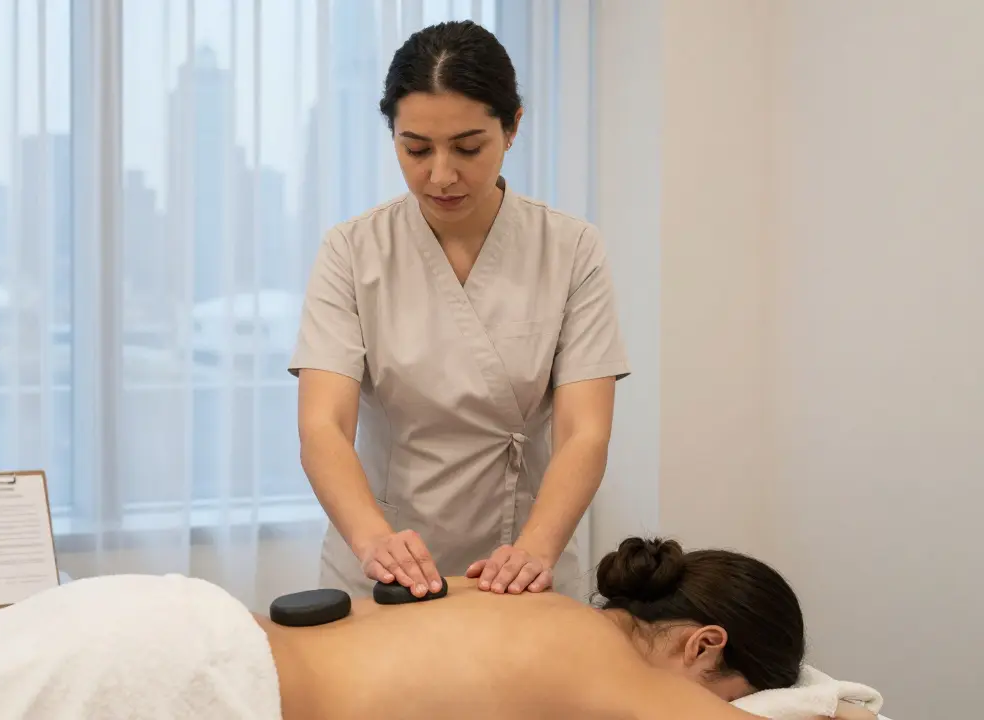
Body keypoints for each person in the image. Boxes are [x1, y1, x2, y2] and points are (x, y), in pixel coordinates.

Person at [290, 18, 631, 599]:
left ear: (512, 127)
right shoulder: (353, 250)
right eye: (416, 149)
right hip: (383, 562)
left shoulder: (571, 248)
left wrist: (535, 550)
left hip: (524, 559)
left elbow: (584, 431)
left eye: (468, 148)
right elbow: (324, 424)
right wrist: (375, 540)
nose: (441, 175)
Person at [258, 537, 880, 720]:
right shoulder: (609, 668)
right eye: (734, 696)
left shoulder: (511, 591)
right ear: (705, 644)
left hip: (215, 629)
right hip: (225, 690)